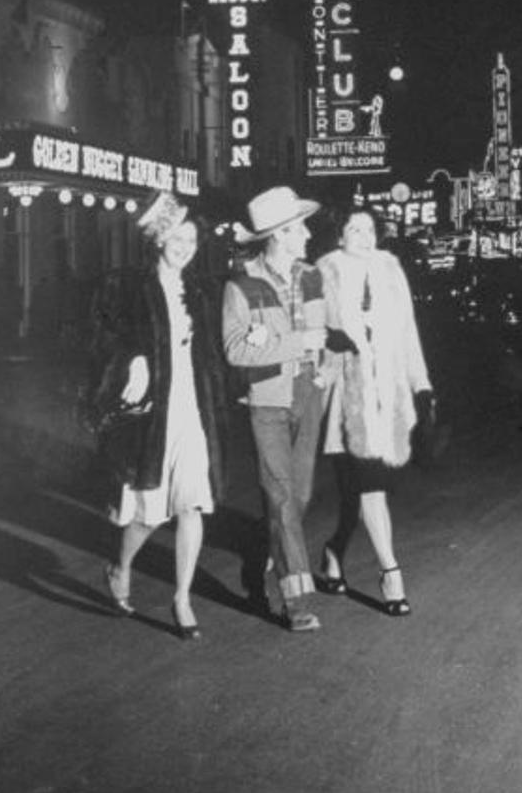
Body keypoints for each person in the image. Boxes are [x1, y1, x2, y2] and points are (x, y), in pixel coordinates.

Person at [97, 191, 230, 642]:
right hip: (154, 415)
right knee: (149, 515)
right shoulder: (132, 287)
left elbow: (213, 353)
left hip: (193, 410)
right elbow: (107, 335)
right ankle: (121, 566)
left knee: (191, 504)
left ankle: (182, 598)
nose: (186, 246)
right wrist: (133, 358)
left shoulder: (200, 290)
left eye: (192, 239)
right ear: (158, 239)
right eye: (178, 237)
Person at [221, 186, 331, 635]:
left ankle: (279, 550)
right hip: (266, 399)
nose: (306, 233)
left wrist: (325, 367)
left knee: (300, 495)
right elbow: (233, 350)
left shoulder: (311, 278)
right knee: (283, 498)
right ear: (280, 235)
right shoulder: (240, 285)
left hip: (308, 392)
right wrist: (292, 345)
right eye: (298, 227)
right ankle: (296, 600)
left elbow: (323, 334)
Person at [317, 208, 434, 617]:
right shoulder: (325, 272)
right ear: (339, 236)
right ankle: (391, 573)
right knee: (369, 486)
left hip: (387, 398)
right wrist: (333, 341)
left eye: (369, 229)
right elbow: (315, 334)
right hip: (346, 399)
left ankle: (333, 552)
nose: (364, 236)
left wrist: (422, 386)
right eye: (354, 228)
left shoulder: (390, 270)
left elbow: (408, 332)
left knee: (359, 491)